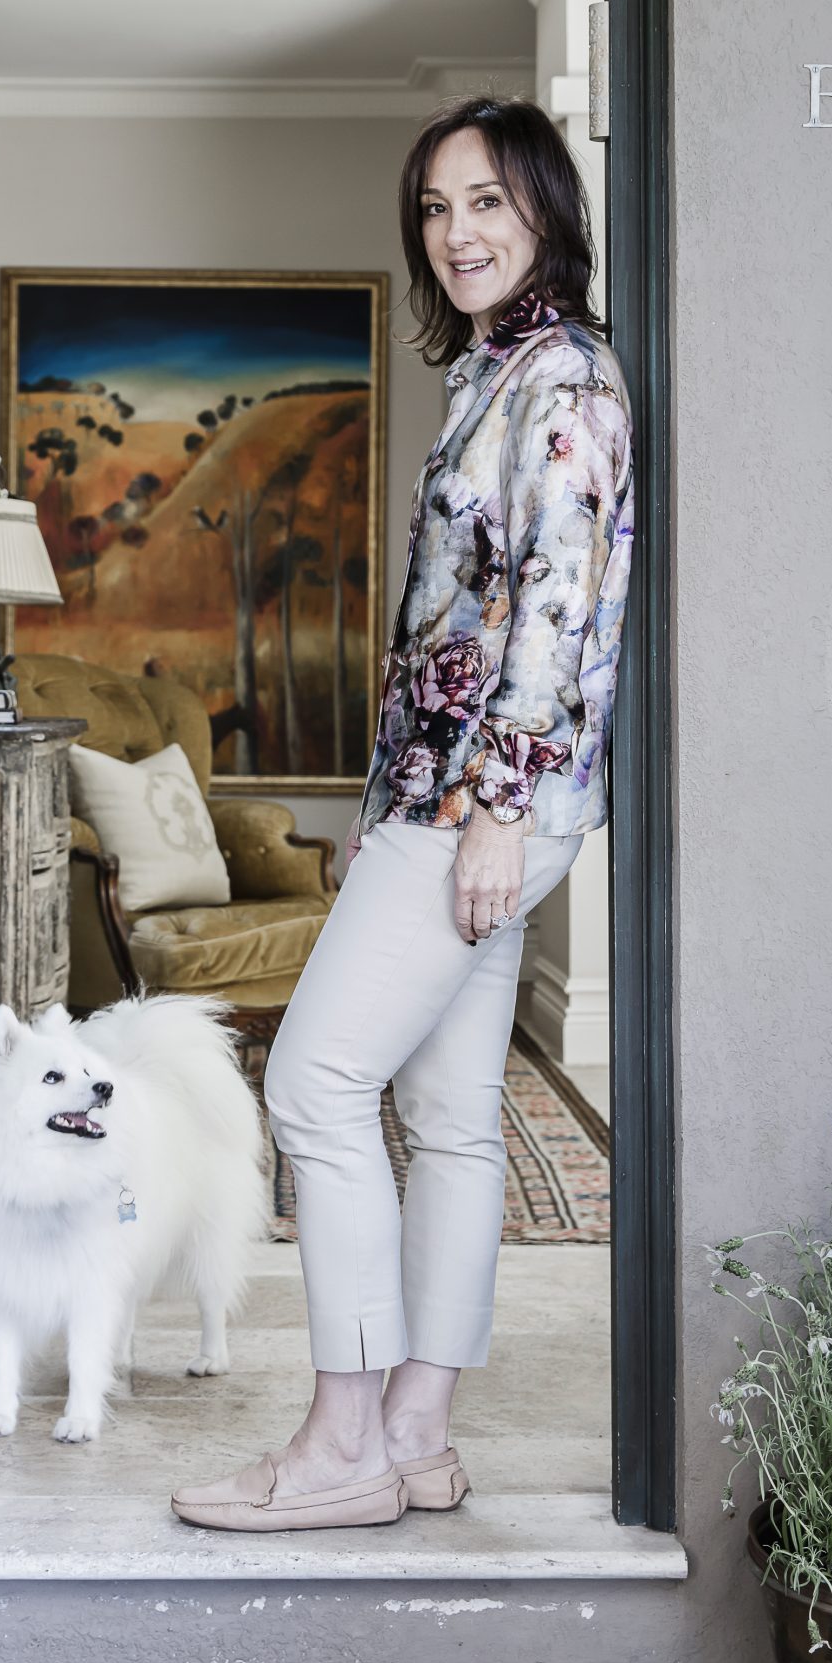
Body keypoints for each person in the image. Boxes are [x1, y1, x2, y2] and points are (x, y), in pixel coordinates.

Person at [171, 97, 634, 1532]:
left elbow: (551, 615)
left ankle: (338, 1445)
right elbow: (459, 622)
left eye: (486, 202)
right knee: (444, 1117)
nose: (457, 235)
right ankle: (417, 1437)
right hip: (444, 797)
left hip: (485, 798)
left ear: (546, 212)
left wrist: (487, 810)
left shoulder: (562, 384)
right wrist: (395, 803)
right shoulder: (497, 377)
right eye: (435, 209)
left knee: (311, 1086)